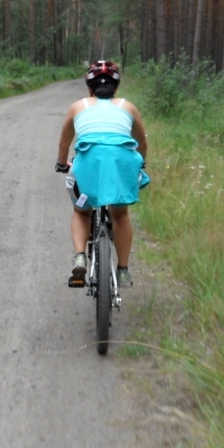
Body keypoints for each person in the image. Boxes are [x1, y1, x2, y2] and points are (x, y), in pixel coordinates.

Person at [55, 61, 148, 288]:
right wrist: (141, 164)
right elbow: (142, 143)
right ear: (115, 89)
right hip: (121, 164)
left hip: (87, 164)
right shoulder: (128, 107)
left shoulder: (78, 106)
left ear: (90, 88)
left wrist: (61, 164)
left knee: (81, 211)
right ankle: (123, 270)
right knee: (120, 215)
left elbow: (64, 143)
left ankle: (79, 257)